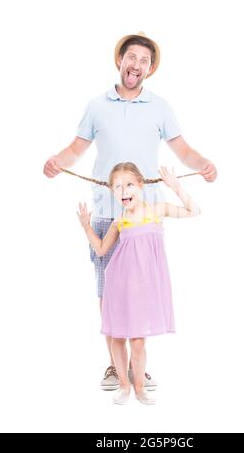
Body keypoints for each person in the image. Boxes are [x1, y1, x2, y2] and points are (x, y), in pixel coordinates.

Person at [43, 31, 217, 391]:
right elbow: (76, 148)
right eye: (131, 57)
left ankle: (139, 367)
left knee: (140, 290)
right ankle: (115, 367)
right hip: (107, 212)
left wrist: (204, 165)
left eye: (144, 60)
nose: (136, 64)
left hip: (145, 215)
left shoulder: (160, 107)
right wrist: (57, 161)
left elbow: (182, 150)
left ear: (150, 69)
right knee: (109, 291)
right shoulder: (96, 105)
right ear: (119, 61)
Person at [76, 162, 201, 404]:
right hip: (118, 288)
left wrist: (176, 187)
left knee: (138, 341)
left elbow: (193, 210)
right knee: (118, 338)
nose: (124, 191)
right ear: (113, 192)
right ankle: (124, 386)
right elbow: (101, 250)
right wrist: (86, 227)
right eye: (118, 187)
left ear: (141, 186)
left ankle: (140, 387)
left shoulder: (158, 210)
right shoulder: (119, 222)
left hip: (145, 291)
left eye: (129, 185)